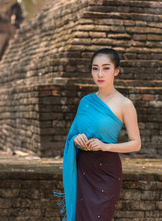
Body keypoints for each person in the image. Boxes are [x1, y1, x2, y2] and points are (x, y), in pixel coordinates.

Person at [54, 48, 141, 221]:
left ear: (116, 71)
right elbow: (74, 135)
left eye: (106, 68)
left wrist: (105, 146)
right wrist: (76, 140)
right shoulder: (85, 101)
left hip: (107, 172)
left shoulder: (125, 104)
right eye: (95, 68)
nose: (99, 73)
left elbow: (136, 143)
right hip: (84, 169)